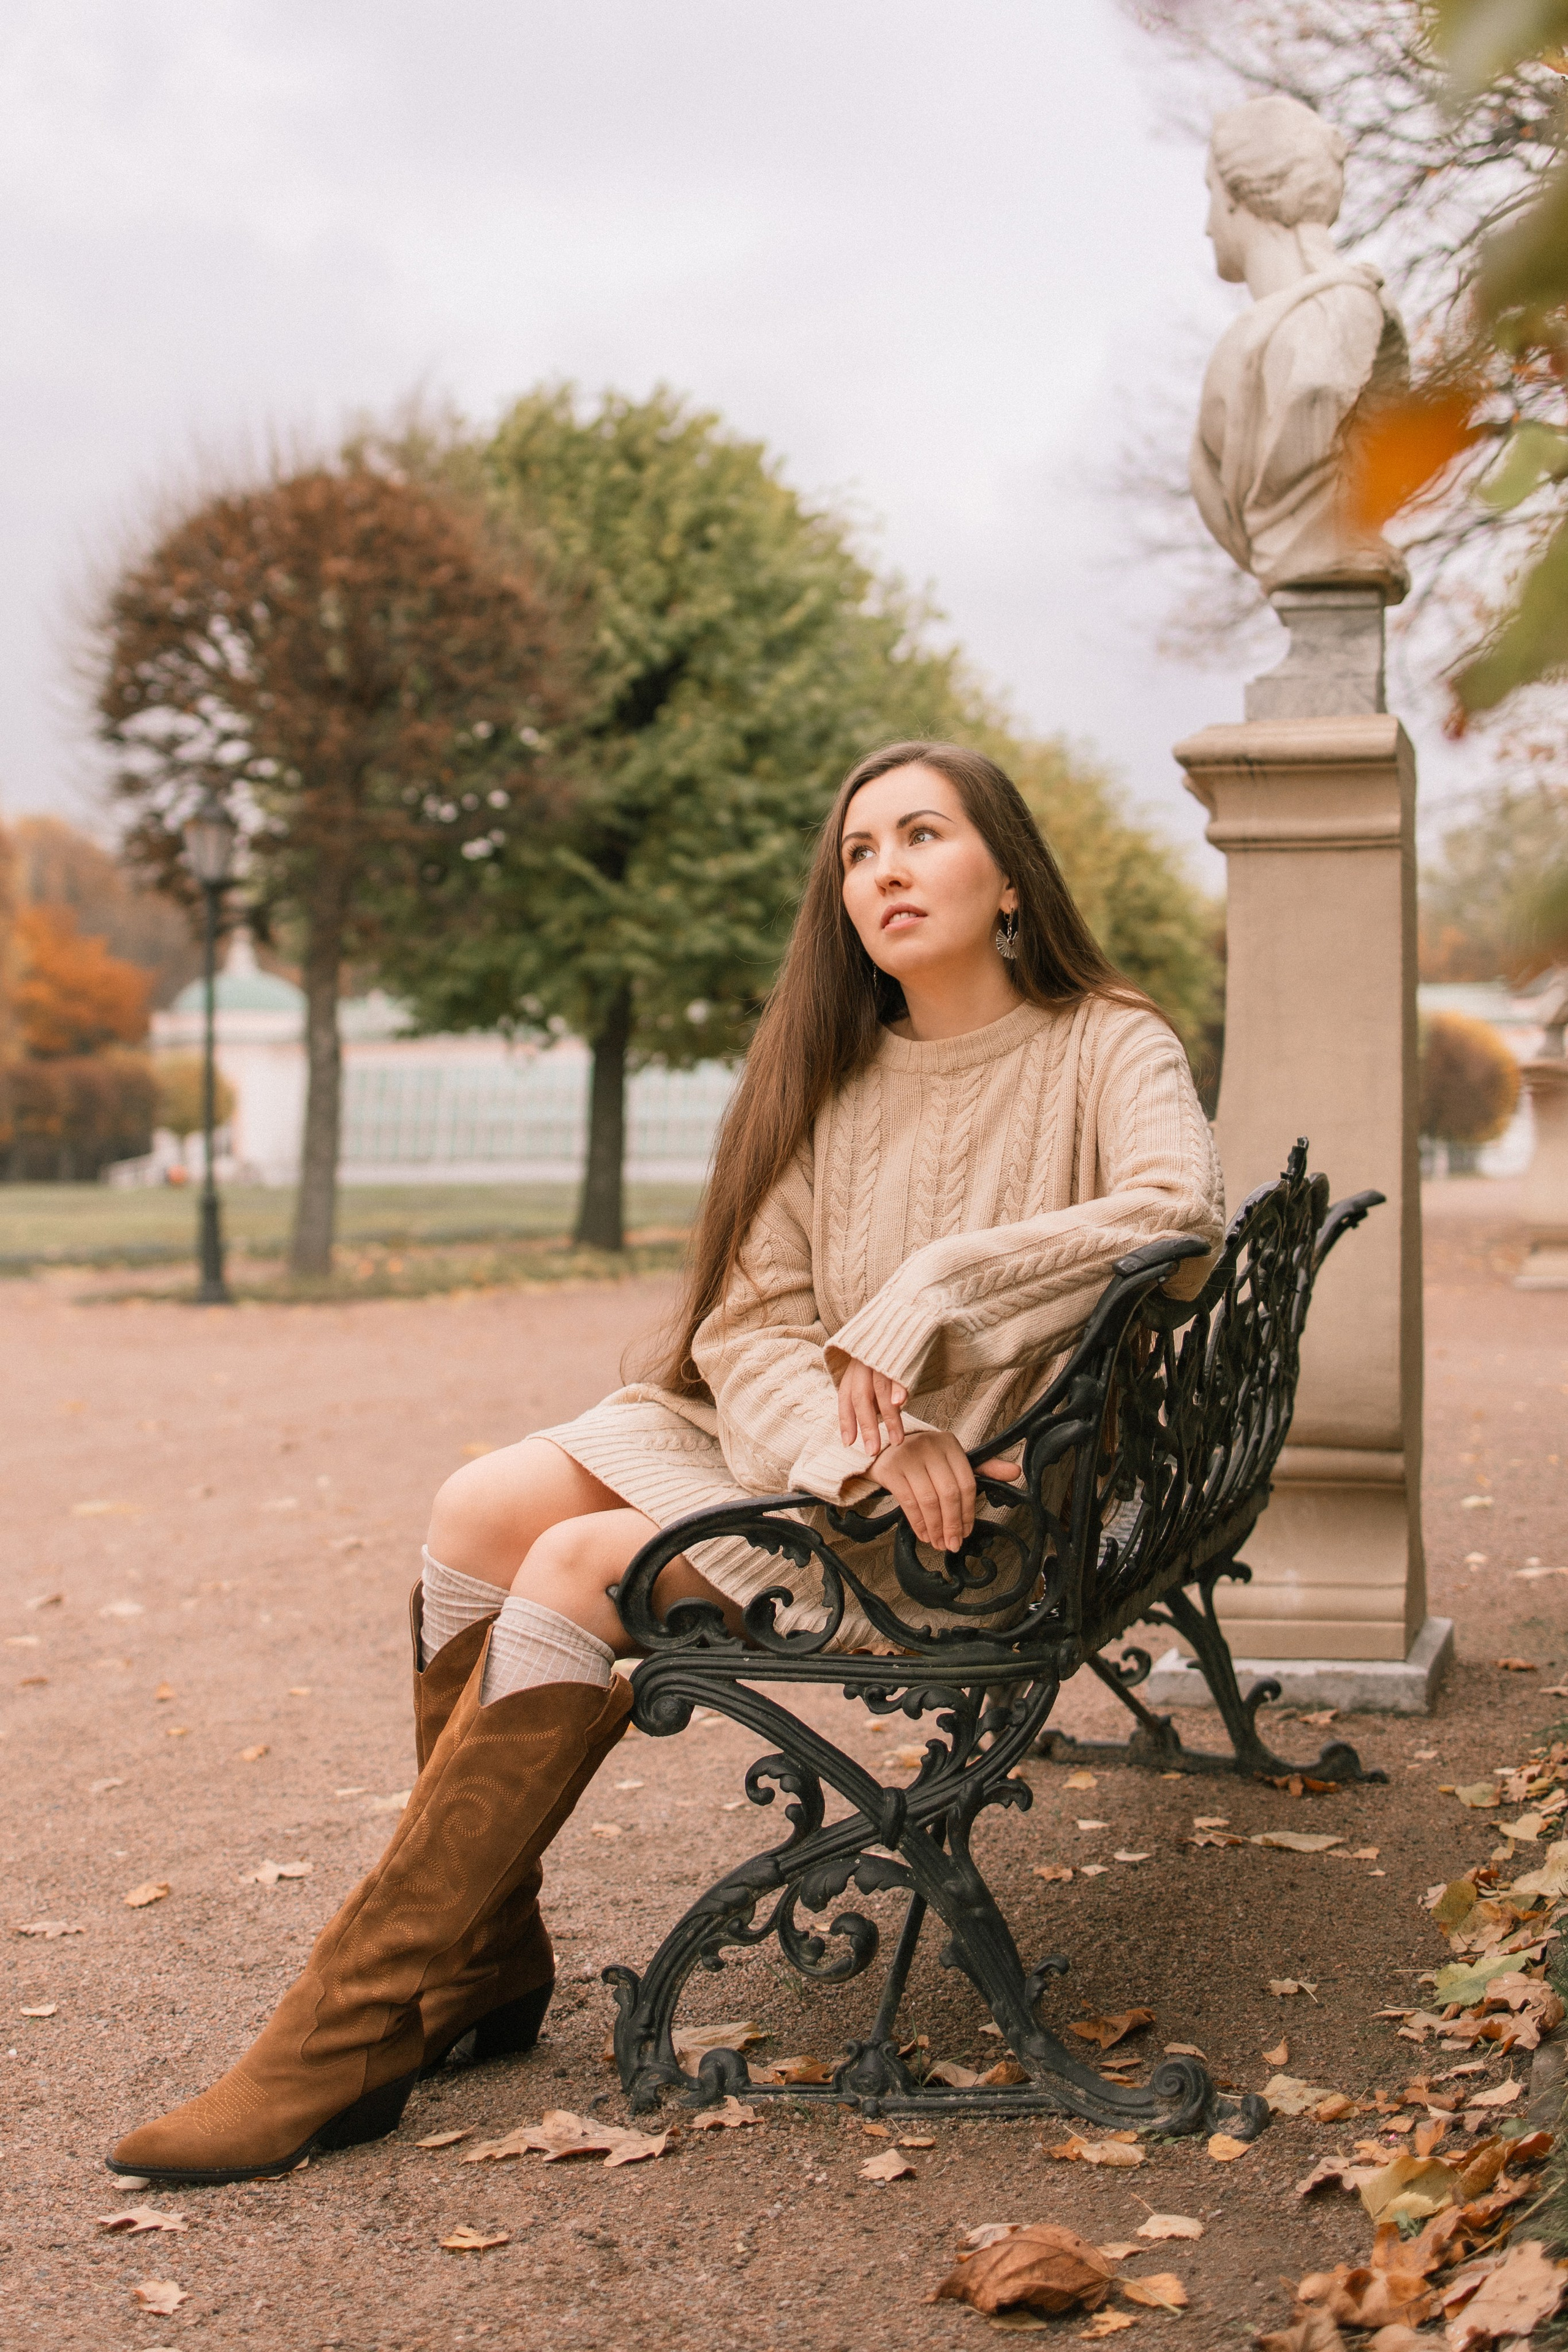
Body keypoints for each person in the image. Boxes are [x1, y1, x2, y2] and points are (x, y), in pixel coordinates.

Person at [107, 739, 1223, 2185]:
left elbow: (1177, 1207)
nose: (881, 869)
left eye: (920, 835)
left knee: (576, 1563)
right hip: (839, 1464)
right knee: (475, 1505)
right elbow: (752, 1323)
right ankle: (487, 1954)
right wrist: (847, 1449)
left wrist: (942, 1280)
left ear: (1006, 874)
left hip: (981, 1507)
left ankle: (349, 2026)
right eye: (855, 851)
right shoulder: (828, 1073)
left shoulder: (1104, 1041)